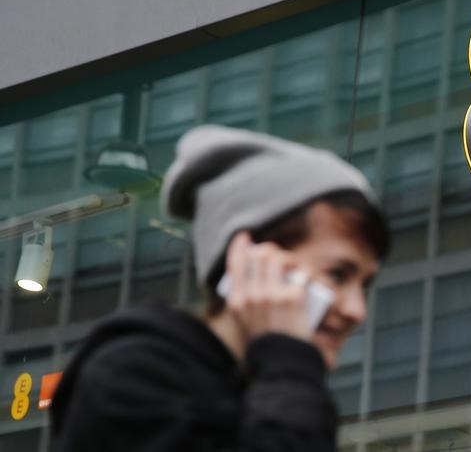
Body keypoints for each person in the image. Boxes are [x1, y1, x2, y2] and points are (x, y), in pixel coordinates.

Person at [50, 125, 389, 452]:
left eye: (365, 284)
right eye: (337, 274)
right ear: (251, 259)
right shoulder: (132, 377)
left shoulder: (269, 391)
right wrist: (288, 365)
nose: (356, 310)